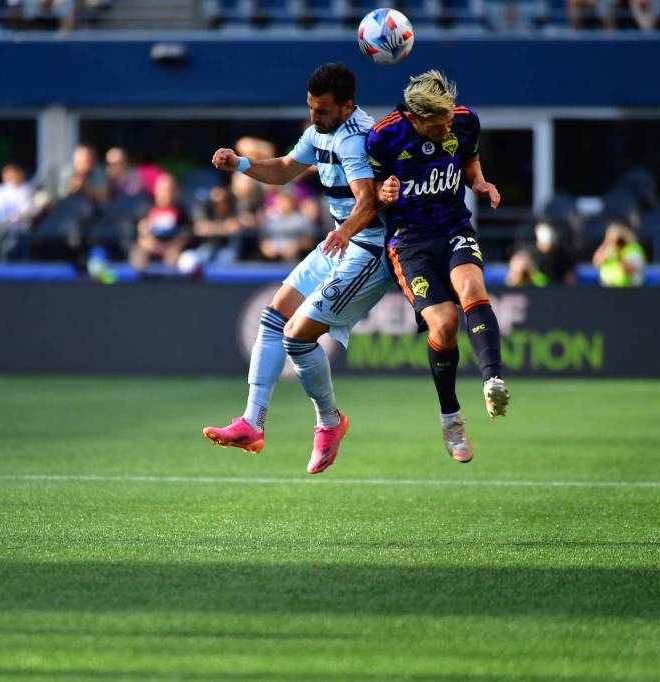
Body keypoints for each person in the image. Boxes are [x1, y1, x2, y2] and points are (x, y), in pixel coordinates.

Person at [202, 63, 390, 475]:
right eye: (310, 107)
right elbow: (287, 167)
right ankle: (252, 422)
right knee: (275, 314)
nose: (313, 116)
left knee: (297, 337)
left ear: (346, 107)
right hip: (342, 239)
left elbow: (369, 202)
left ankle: (329, 422)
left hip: (368, 247)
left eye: (321, 110)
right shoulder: (321, 131)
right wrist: (243, 165)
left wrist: (344, 234)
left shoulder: (354, 140)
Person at [367, 69, 510, 464]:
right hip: (410, 241)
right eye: (438, 124)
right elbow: (370, 193)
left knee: (472, 288)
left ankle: (492, 380)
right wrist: (384, 192)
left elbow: (470, 161)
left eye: (449, 119)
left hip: (453, 227)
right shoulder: (384, 136)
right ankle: (451, 417)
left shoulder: (464, 120)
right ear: (416, 119)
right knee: (444, 324)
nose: (447, 127)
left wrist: (479, 183)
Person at [129, 173, 191, 270]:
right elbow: (141, 233)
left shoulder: (181, 209)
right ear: (156, 190)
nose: (166, 193)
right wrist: (155, 247)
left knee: (175, 258)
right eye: (163, 189)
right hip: (151, 247)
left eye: (170, 189)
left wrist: (170, 248)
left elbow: (185, 234)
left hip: (172, 248)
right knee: (138, 256)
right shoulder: (146, 208)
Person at [0, 163, 37, 262]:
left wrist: (19, 218)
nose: (11, 177)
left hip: (23, 228)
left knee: (22, 248)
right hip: (3, 228)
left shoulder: (27, 189)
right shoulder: (0, 190)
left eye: (13, 174)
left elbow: (31, 210)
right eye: (8, 174)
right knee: (6, 249)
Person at [593, 223, 645, 287]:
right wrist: (606, 243)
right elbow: (597, 263)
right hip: (607, 287)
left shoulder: (634, 249)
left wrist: (619, 256)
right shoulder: (607, 248)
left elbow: (629, 270)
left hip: (629, 289)